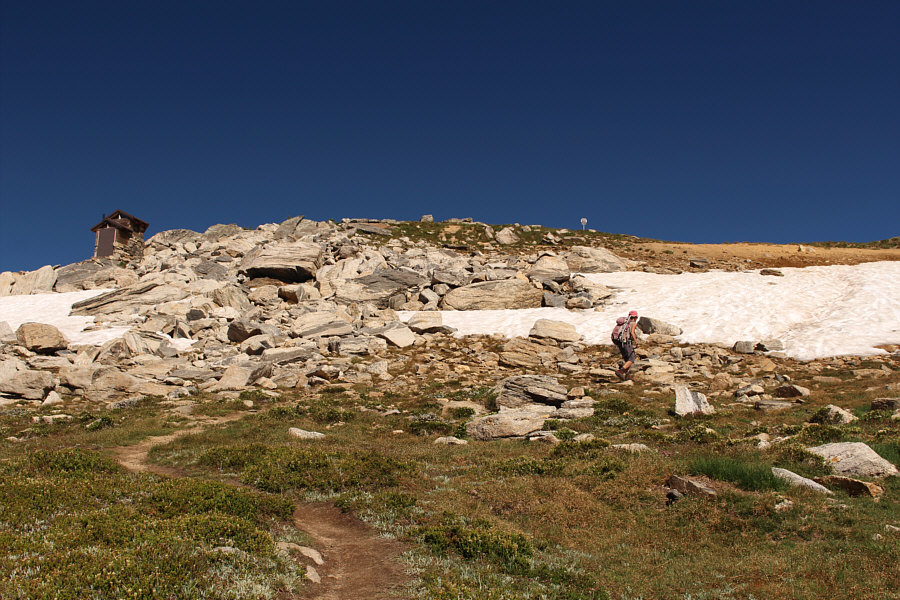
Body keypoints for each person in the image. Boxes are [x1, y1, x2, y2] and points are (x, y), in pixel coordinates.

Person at [611, 310, 639, 380]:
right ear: (635, 317)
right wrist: (637, 342)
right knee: (631, 359)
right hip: (626, 341)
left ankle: (627, 375)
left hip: (619, 341)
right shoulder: (633, 323)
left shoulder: (623, 322)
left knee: (626, 359)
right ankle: (620, 371)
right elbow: (632, 333)